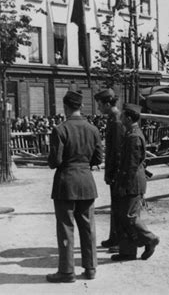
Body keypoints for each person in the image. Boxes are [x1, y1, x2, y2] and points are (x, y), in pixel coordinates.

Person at [47, 91, 103, 282]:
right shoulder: (93, 129)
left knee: (66, 228)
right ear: (81, 106)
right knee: (88, 228)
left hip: (66, 184)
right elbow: (98, 158)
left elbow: (55, 161)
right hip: (87, 182)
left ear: (66, 107)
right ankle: (90, 268)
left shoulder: (60, 129)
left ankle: (67, 271)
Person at [111, 103, 160, 262]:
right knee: (124, 216)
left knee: (129, 216)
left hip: (131, 182)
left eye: (123, 115)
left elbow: (131, 165)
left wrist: (123, 184)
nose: (121, 117)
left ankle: (150, 238)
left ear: (129, 117)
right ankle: (128, 252)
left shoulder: (133, 136)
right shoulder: (132, 133)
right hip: (130, 180)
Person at [94, 88, 124, 253]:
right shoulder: (113, 118)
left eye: (99, 104)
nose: (98, 108)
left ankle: (119, 240)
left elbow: (117, 150)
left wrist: (112, 172)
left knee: (119, 206)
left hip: (118, 171)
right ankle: (114, 237)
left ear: (107, 103)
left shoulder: (116, 119)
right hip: (115, 169)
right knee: (115, 204)